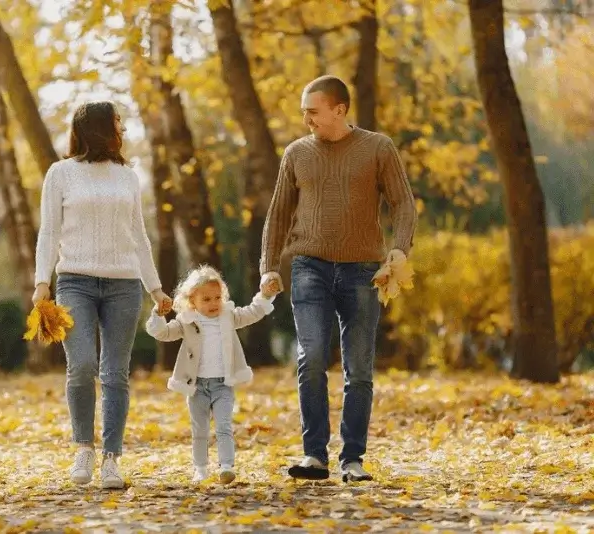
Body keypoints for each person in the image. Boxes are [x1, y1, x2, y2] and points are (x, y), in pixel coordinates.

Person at [259, 75, 417, 482]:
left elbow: (403, 204)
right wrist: (269, 266)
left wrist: (399, 249)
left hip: (364, 271)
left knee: (358, 368)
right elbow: (278, 215)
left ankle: (352, 459)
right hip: (309, 265)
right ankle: (314, 455)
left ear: (339, 109)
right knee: (310, 357)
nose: (307, 119)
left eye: (313, 111)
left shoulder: (378, 148)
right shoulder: (296, 153)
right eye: (304, 112)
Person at [32, 100, 173, 489]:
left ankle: (111, 458)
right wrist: (42, 280)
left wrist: (155, 287)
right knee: (80, 367)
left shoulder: (127, 177)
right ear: (98, 129)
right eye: (116, 123)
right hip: (74, 280)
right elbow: (49, 232)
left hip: (123, 286)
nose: (122, 129)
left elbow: (139, 236)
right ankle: (84, 448)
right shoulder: (60, 174)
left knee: (115, 373)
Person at [145, 265, 280, 484]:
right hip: (197, 386)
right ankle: (200, 468)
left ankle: (226, 466)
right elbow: (163, 333)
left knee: (224, 426)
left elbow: (253, 312)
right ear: (192, 301)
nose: (213, 303)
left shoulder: (229, 316)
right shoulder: (186, 321)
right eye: (206, 299)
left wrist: (265, 295)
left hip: (222, 385)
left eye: (217, 297)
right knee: (199, 430)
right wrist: (157, 315)